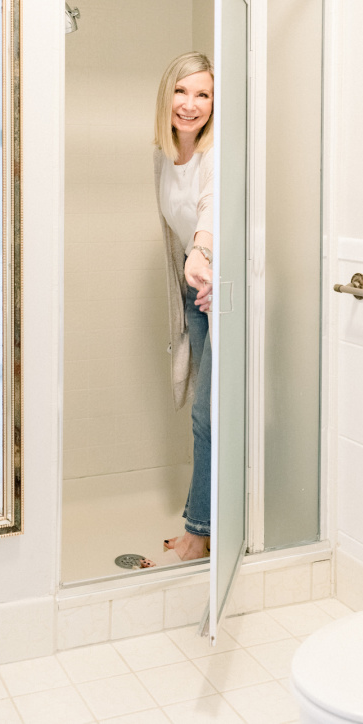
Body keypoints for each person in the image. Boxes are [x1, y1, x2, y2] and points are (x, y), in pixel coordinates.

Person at [141, 51, 214, 567]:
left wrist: (203, 252)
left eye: (203, 94)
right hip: (196, 287)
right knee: (201, 410)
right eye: (182, 91)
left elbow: (211, 209)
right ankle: (202, 520)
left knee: (210, 415)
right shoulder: (162, 156)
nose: (190, 105)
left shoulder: (217, 152)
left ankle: (201, 533)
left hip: (220, 284)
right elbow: (173, 227)